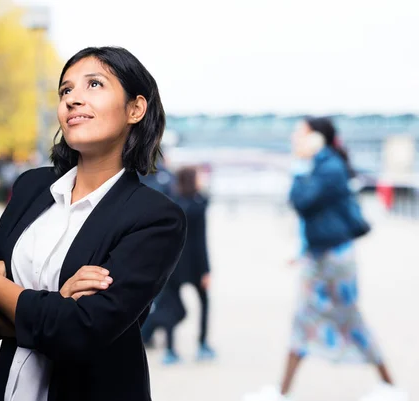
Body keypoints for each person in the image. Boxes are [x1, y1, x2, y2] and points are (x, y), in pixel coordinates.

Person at [0, 46, 187, 401]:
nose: (73, 100)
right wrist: (55, 304)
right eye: (66, 90)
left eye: (94, 85)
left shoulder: (155, 217)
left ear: (135, 109)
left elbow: (79, 332)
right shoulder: (32, 187)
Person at [243, 117, 407, 401]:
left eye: (300, 133)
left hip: (333, 260)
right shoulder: (322, 165)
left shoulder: (328, 167)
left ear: (317, 138)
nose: (295, 138)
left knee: (348, 319)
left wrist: (298, 166)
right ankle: (282, 391)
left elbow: (303, 201)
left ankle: (389, 386)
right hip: (322, 256)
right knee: (308, 319)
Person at [141, 166, 216, 364]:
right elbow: (201, 241)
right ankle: (202, 344)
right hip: (194, 264)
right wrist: (206, 270)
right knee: (202, 303)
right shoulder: (199, 205)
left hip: (172, 262)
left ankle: (171, 351)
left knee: (169, 307)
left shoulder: (173, 203)